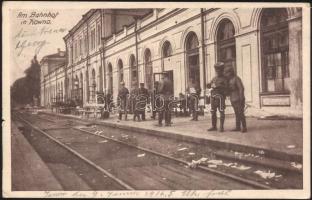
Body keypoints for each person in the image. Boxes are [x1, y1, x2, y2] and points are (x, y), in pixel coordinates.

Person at [224, 67, 247, 133]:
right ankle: (238, 127)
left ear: (230, 72)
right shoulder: (229, 81)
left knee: (241, 113)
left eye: (226, 73)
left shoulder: (236, 78)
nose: (225, 74)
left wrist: (241, 97)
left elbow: (241, 88)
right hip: (233, 99)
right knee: (237, 113)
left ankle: (244, 127)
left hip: (238, 99)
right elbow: (228, 92)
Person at [207, 62, 228, 132]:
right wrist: (208, 85)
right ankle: (214, 126)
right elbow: (210, 86)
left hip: (220, 97)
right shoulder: (214, 78)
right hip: (213, 97)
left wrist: (219, 86)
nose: (217, 71)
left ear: (222, 70)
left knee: (221, 111)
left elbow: (227, 87)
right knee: (213, 112)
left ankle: (221, 127)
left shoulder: (225, 78)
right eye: (216, 70)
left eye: (219, 70)